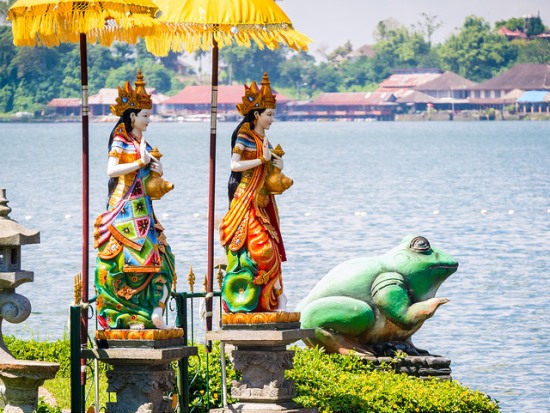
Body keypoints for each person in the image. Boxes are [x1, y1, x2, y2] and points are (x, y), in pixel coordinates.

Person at [93, 70, 175, 330]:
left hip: (145, 208)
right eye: (145, 116)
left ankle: (155, 310)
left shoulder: (145, 142)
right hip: (124, 206)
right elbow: (111, 170)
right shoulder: (121, 139)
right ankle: (126, 313)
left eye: (149, 115)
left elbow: (154, 169)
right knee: (130, 258)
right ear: (132, 117)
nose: (149, 120)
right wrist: (139, 162)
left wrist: (157, 168)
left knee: (163, 257)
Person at [219, 72, 289, 313]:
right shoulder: (245, 135)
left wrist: (276, 165)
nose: (271, 119)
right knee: (262, 247)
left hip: (260, 200)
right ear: (256, 114)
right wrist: (261, 160)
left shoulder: (264, 138)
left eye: (273, 115)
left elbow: (271, 165)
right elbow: (234, 165)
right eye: (269, 115)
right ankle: (248, 297)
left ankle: (273, 298)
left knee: (274, 247)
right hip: (245, 198)